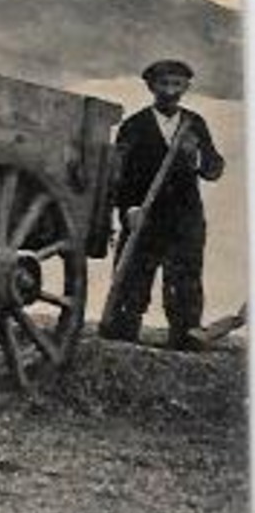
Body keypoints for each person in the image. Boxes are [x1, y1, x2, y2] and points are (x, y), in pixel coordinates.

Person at [98, 59, 224, 350]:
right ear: (151, 87)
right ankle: (121, 333)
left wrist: (200, 158)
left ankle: (185, 336)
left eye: (177, 85)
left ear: (185, 88)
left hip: (185, 216)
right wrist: (128, 209)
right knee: (133, 274)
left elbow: (213, 168)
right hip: (144, 214)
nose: (170, 91)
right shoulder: (135, 126)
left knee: (185, 276)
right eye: (164, 84)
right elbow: (120, 176)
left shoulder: (194, 124)